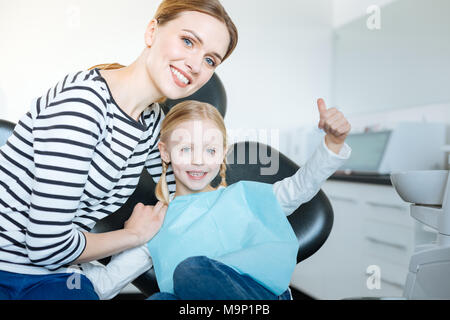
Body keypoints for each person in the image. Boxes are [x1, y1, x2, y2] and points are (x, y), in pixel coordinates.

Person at [0, 0, 238, 300]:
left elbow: (185, 192)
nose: (195, 64)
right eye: (188, 41)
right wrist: (133, 235)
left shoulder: (152, 123)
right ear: (152, 32)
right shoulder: (84, 106)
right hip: (10, 268)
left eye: (210, 60)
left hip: (58, 273)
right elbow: (45, 246)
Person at [81, 98, 351, 300]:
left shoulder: (244, 197)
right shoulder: (154, 224)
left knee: (190, 269)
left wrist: (334, 144)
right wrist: (52, 264)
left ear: (222, 153)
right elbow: (107, 282)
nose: (198, 159)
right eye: (186, 148)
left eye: (209, 150)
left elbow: (301, 187)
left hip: (259, 299)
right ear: (165, 152)